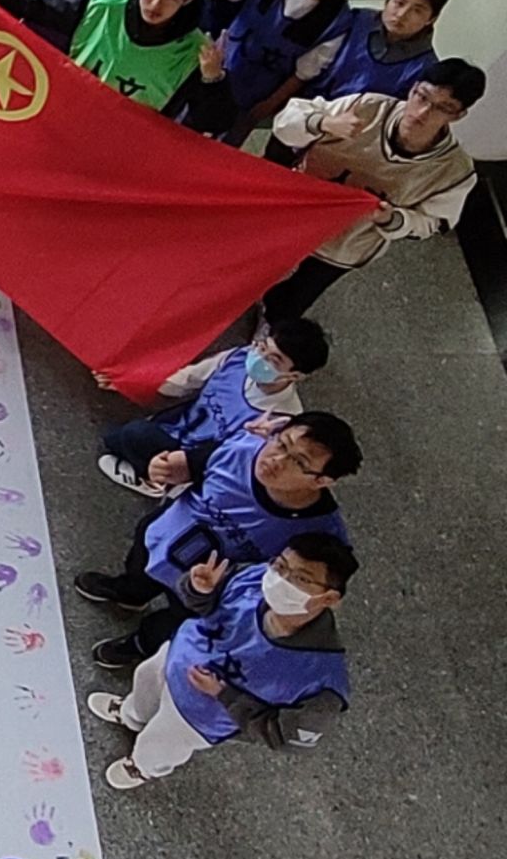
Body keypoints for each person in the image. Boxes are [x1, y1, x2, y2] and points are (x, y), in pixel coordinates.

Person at [75, 410, 358, 668]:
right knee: (138, 567)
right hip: (162, 537)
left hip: (206, 590)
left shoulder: (319, 534)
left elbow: (313, 584)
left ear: (322, 481)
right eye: (282, 443)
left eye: (298, 462)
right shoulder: (241, 448)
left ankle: (140, 644)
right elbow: (188, 466)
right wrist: (162, 468)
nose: (276, 460)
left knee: (173, 625)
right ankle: (129, 594)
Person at [89, 534, 354, 789]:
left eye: (301, 578)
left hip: (198, 717)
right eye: (280, 565)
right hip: (175, 657)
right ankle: (131, 715)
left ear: (329, 598)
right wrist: (198, 590)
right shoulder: (254, 578)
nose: (281, 580)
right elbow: (206, 604)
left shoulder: (320, 679)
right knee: (145, 680)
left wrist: (225, 696)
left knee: (162, 744)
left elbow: (284, 737)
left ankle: (141, 767)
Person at [261, 60, 486, 321]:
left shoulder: (454, 170)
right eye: (422, 96)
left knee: (299, 294)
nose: (423, 112)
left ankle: (273, 320)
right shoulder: (369, 107)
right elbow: (286, 122)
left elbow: (433, 222)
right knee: (257, 263)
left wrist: (394, 220)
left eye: (442, 108)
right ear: (413, 88)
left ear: (458, 115)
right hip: (296, 212)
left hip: (348, 241)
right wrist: (322, 123)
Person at [0, 0, 233, 130]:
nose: (155, 4)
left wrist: (213, 81)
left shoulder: (196, 54)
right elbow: (36, 5)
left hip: (115, 151)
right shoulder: (104, 5)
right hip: (57, 122)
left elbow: (213, 124)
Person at [93, 319, 329, 496]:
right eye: (263, 347)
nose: (260, 357)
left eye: (274, 360)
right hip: (176, 426)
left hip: (195, 461)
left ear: (295, 376)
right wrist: (133, 382)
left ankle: (155, 483)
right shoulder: (240, 358)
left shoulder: (283, 420)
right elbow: (189, 379)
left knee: (133, 435)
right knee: (117, 437)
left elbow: (239, 464)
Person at [201, 0, 365, 137]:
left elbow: (303, 73)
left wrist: (267, 106)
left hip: (255, 94)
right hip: (216, 69)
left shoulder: (337, 21)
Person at [298, 0, 448, 105]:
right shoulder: (356, 20)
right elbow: (304, 70)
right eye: (399, 3)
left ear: (431, 19)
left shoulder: (425, 68)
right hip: (304, 107)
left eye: (417, 11)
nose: (402, 14)